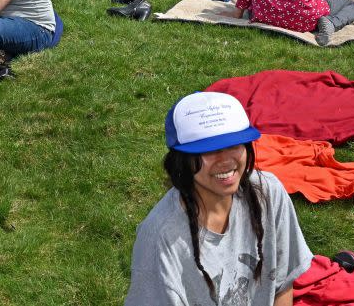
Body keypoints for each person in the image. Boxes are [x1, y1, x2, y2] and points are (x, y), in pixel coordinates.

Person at [124, 90, 312, 305]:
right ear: (181, 160)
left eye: (233, 145)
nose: (225, 160)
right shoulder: (161, 238)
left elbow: (282, 286)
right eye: (209, 150)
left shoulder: (268, 194)